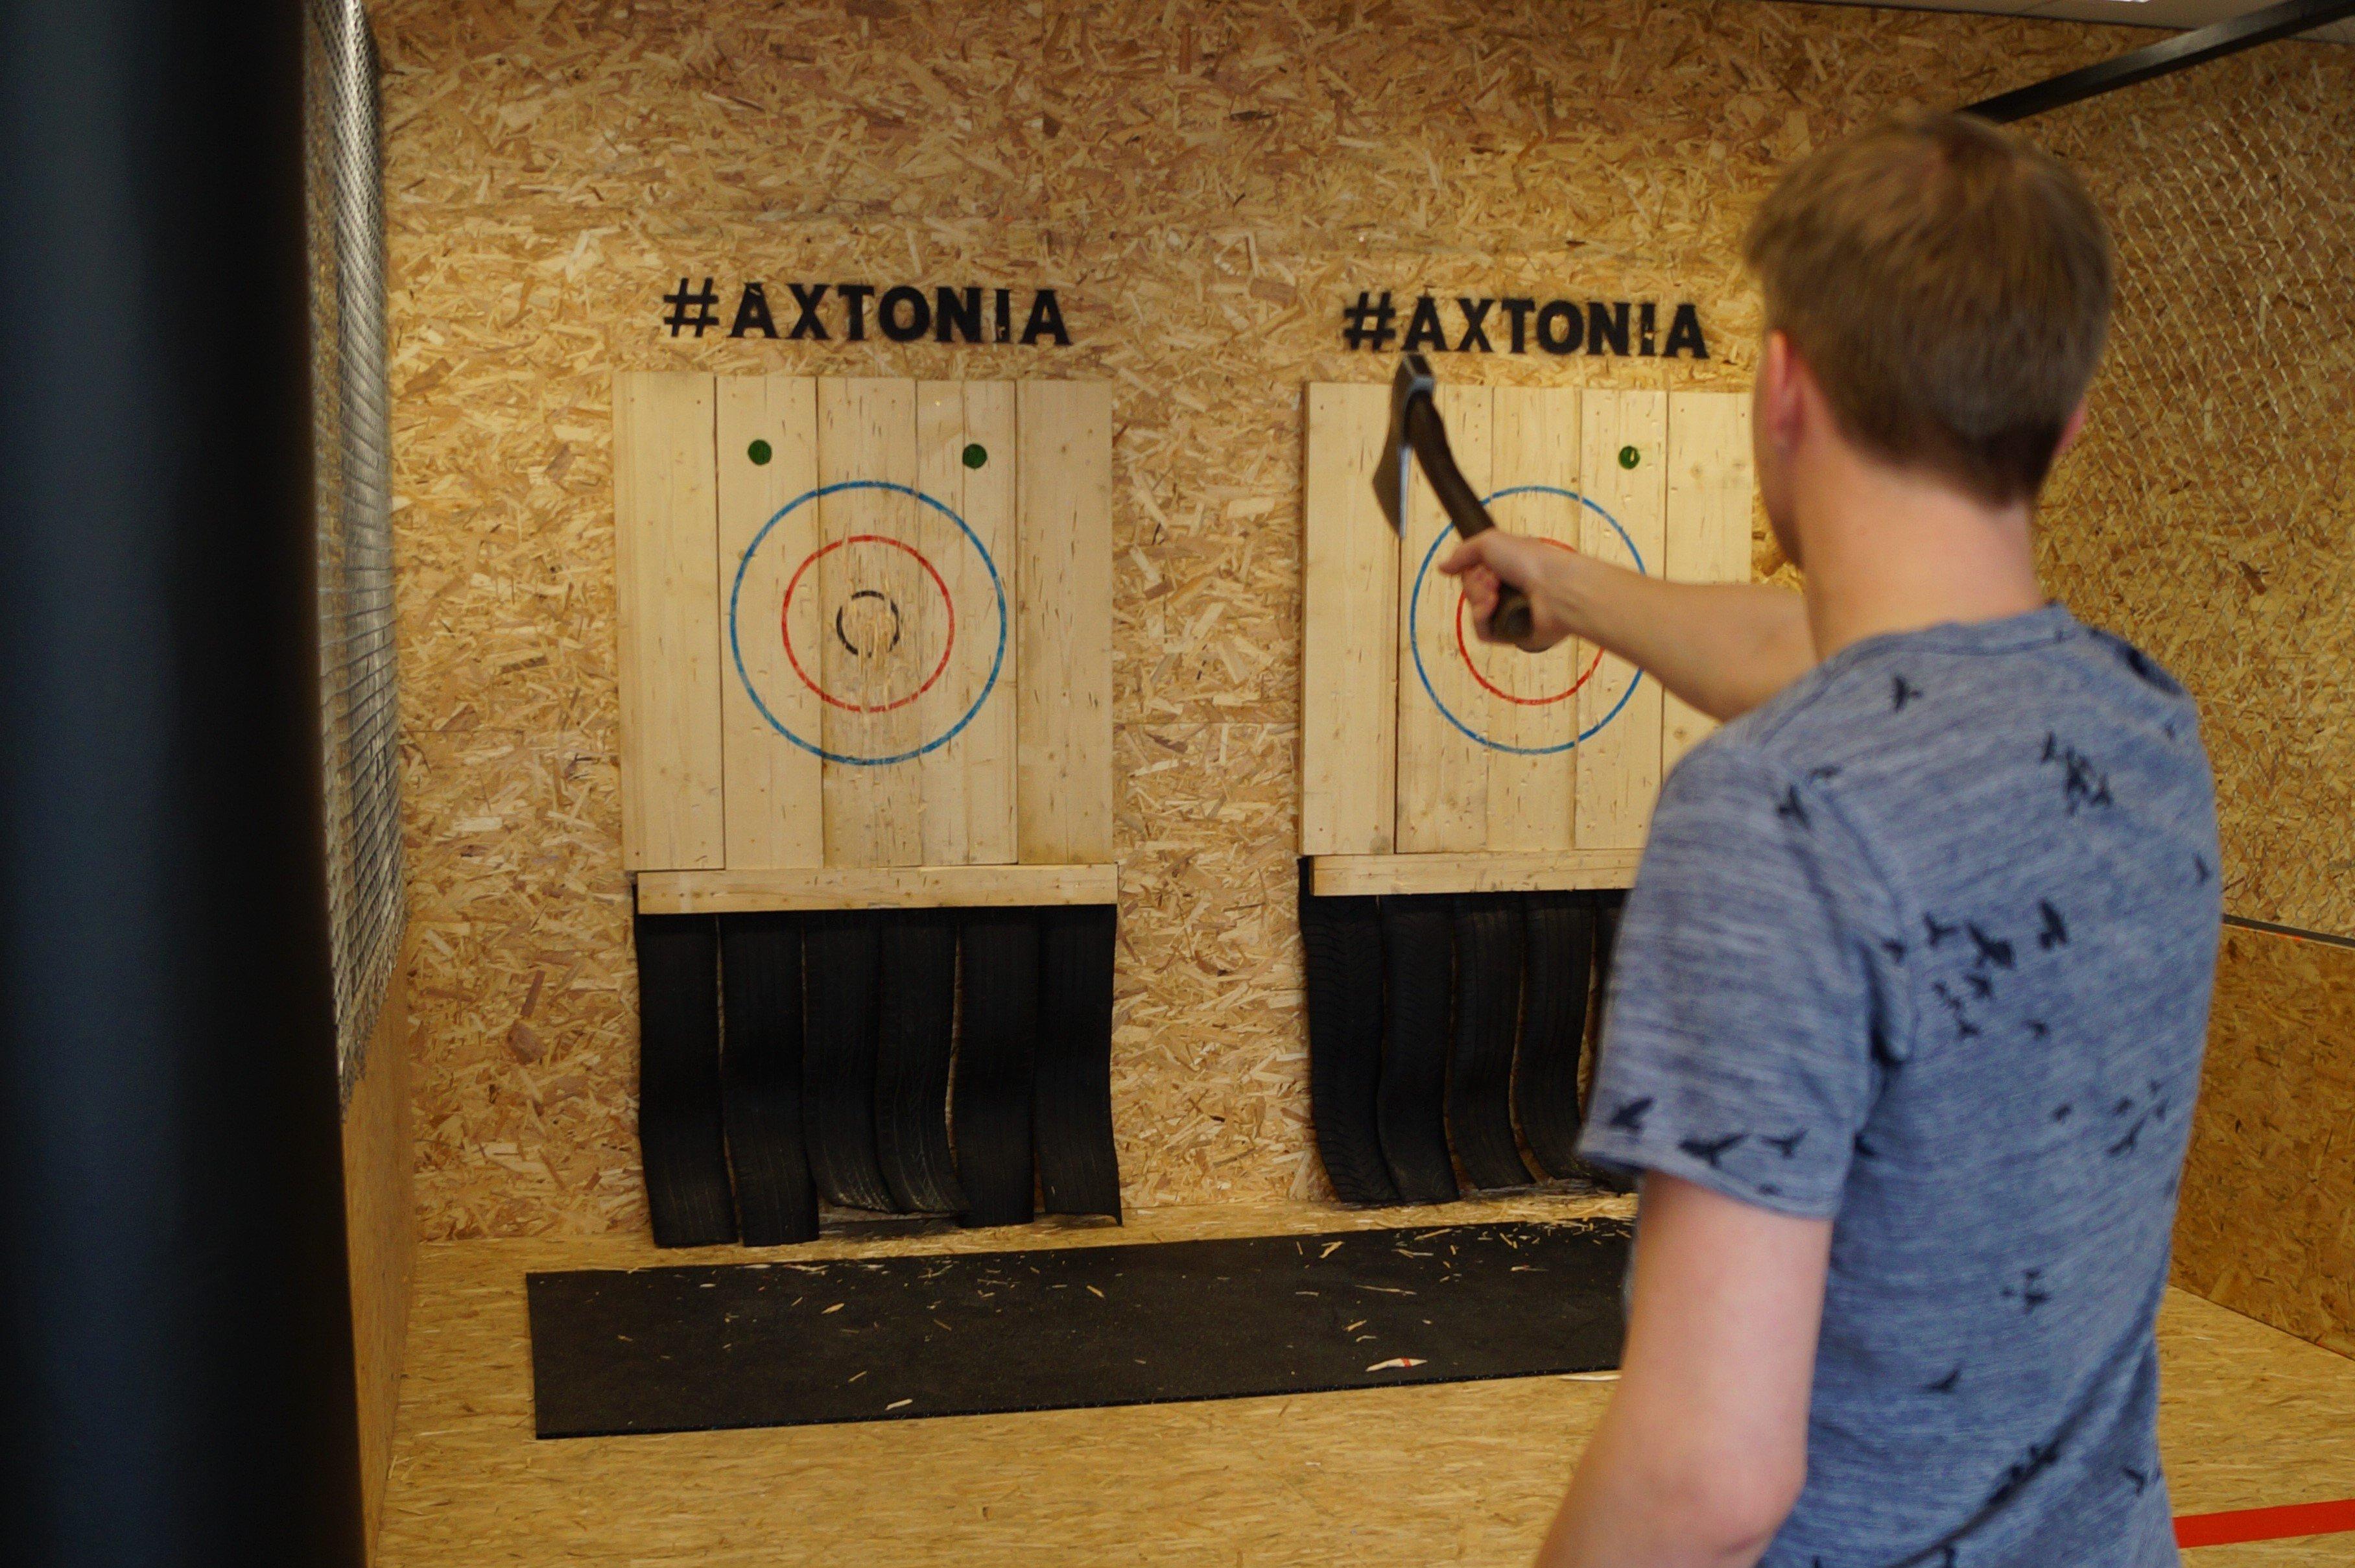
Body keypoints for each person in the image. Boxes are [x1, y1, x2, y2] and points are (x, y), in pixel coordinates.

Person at [1443, 112, 2218, 1568]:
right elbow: (1870, 664)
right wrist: (1577, 589)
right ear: (2067, 419)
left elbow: (1703, 1478)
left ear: (1781, 385)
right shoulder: (2138, 726)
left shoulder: (1776, 810)